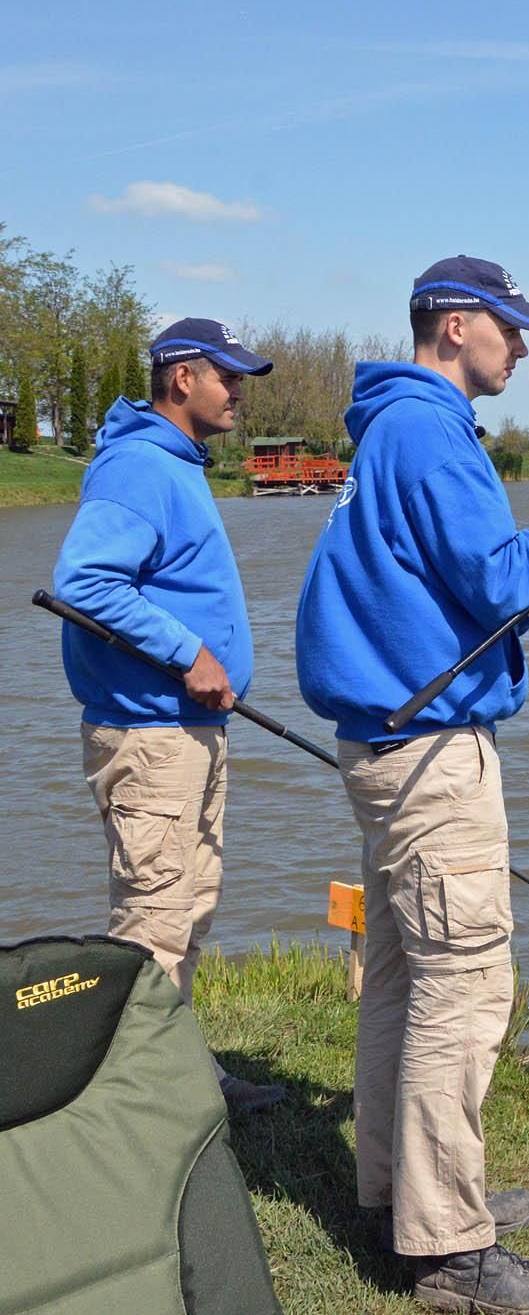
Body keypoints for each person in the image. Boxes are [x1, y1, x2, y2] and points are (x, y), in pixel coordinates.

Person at [295, 255, 529, 1314]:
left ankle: (404, 1197)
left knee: (407, 980)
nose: (524, 345)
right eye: (512, 326)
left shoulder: (394, 428)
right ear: (457, 325)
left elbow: (442, 588)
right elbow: (495, 571)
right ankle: (450, 1254)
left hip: (391, 741)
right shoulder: (427, 427)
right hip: (431, 761)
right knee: (463, 990)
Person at [53, 317, 286, 1113]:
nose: (239, 394)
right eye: (230, 378)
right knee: (152, 918)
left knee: (188, 907)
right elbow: (85, 581)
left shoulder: (177, 463)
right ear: (182, 377)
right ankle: (129, 1106)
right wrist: (191, 652)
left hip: (187, 732)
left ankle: (181, 1074)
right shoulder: (139, 466)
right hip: (149, 733)